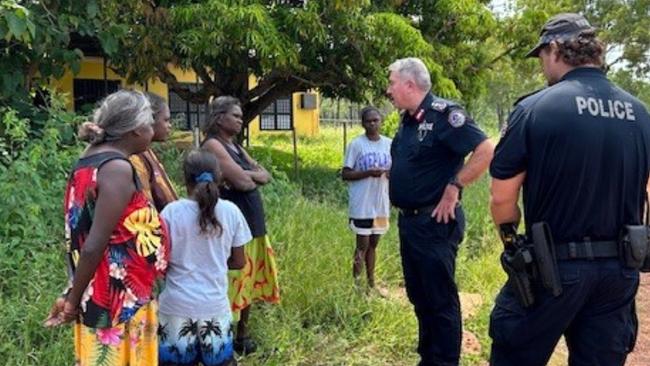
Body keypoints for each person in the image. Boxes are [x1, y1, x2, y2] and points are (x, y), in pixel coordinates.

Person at [489, 13, 650, 365]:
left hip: (551, 270)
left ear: (555, 48)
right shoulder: (640, 113)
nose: (542, 66)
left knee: (515, 353)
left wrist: (511, 242)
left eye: (542, 56)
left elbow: (502, 197)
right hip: (618, 273)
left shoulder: (534, 108)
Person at [44, 90, 170, 366]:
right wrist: (72, 301)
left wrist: (72, 292)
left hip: (112, 293)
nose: (153, 130)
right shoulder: (116, 168)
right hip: (116, 300)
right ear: (136, 129)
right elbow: (93, 244)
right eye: (150, 123)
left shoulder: (92, 157)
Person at [386, 57, 494, 365]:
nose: (389, 89)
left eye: (392, 82)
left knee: (440, 299)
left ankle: (445, 361)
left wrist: (455, 186)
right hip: (410, 222)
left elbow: (485, 149)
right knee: (420, 297)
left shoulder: (445, 115)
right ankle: (429, 358)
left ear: (409, 84)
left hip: (435, 222)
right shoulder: (408, 120)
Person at [201, 96, 280, 355]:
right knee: (232, 282)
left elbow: (263, 175)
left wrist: (247, 175)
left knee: (250, 281)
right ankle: (222, 338)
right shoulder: (213, 145)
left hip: (252, 224)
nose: (240, 119)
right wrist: (248, 176)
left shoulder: (234, 146)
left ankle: (242, 338)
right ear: (219, 117)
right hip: (232, 227)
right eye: (235, 115)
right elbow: (244, 183)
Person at [158, 149, 249, 366]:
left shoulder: (170, 212)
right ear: (219, 177)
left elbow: (160, 260)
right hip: (214, 307)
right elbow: (239, 261)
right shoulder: (231, 212)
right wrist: (214, 261)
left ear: (184, 178)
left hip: (175, 306)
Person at [341, 106, 392, 290]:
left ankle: (371, 284)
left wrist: (389, 173)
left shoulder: (389, 144)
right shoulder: (356, 145)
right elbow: (345, 174)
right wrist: (369, 172)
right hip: (362, 204)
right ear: (362, 123)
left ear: (381, 121)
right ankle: (355, 285)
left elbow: (396, 171)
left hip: (380, 204)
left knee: (374, 244)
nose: (372, 124)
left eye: (375, 120)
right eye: (368, 121)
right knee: (361, 245)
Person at [130, 92, 178, 211]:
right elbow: (147, 204)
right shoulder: (134, 156)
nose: (169, 125)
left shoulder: (146, 151)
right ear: (149, 120)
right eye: (166, 120)